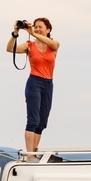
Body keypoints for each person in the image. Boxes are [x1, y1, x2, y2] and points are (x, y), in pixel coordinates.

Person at [6, 18, 60, 158]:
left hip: (48, 84)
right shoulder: (29, 45)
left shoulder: (54, 45)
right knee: (33, 120)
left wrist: (32, 33)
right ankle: (30, 155)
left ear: (48, 30)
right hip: (34, 82)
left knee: (42, 122)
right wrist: (16, 33)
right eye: (35, 27)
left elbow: (52, 43)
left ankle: (34, 153)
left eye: (40, 27)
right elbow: (9, 49)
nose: (36, 29)